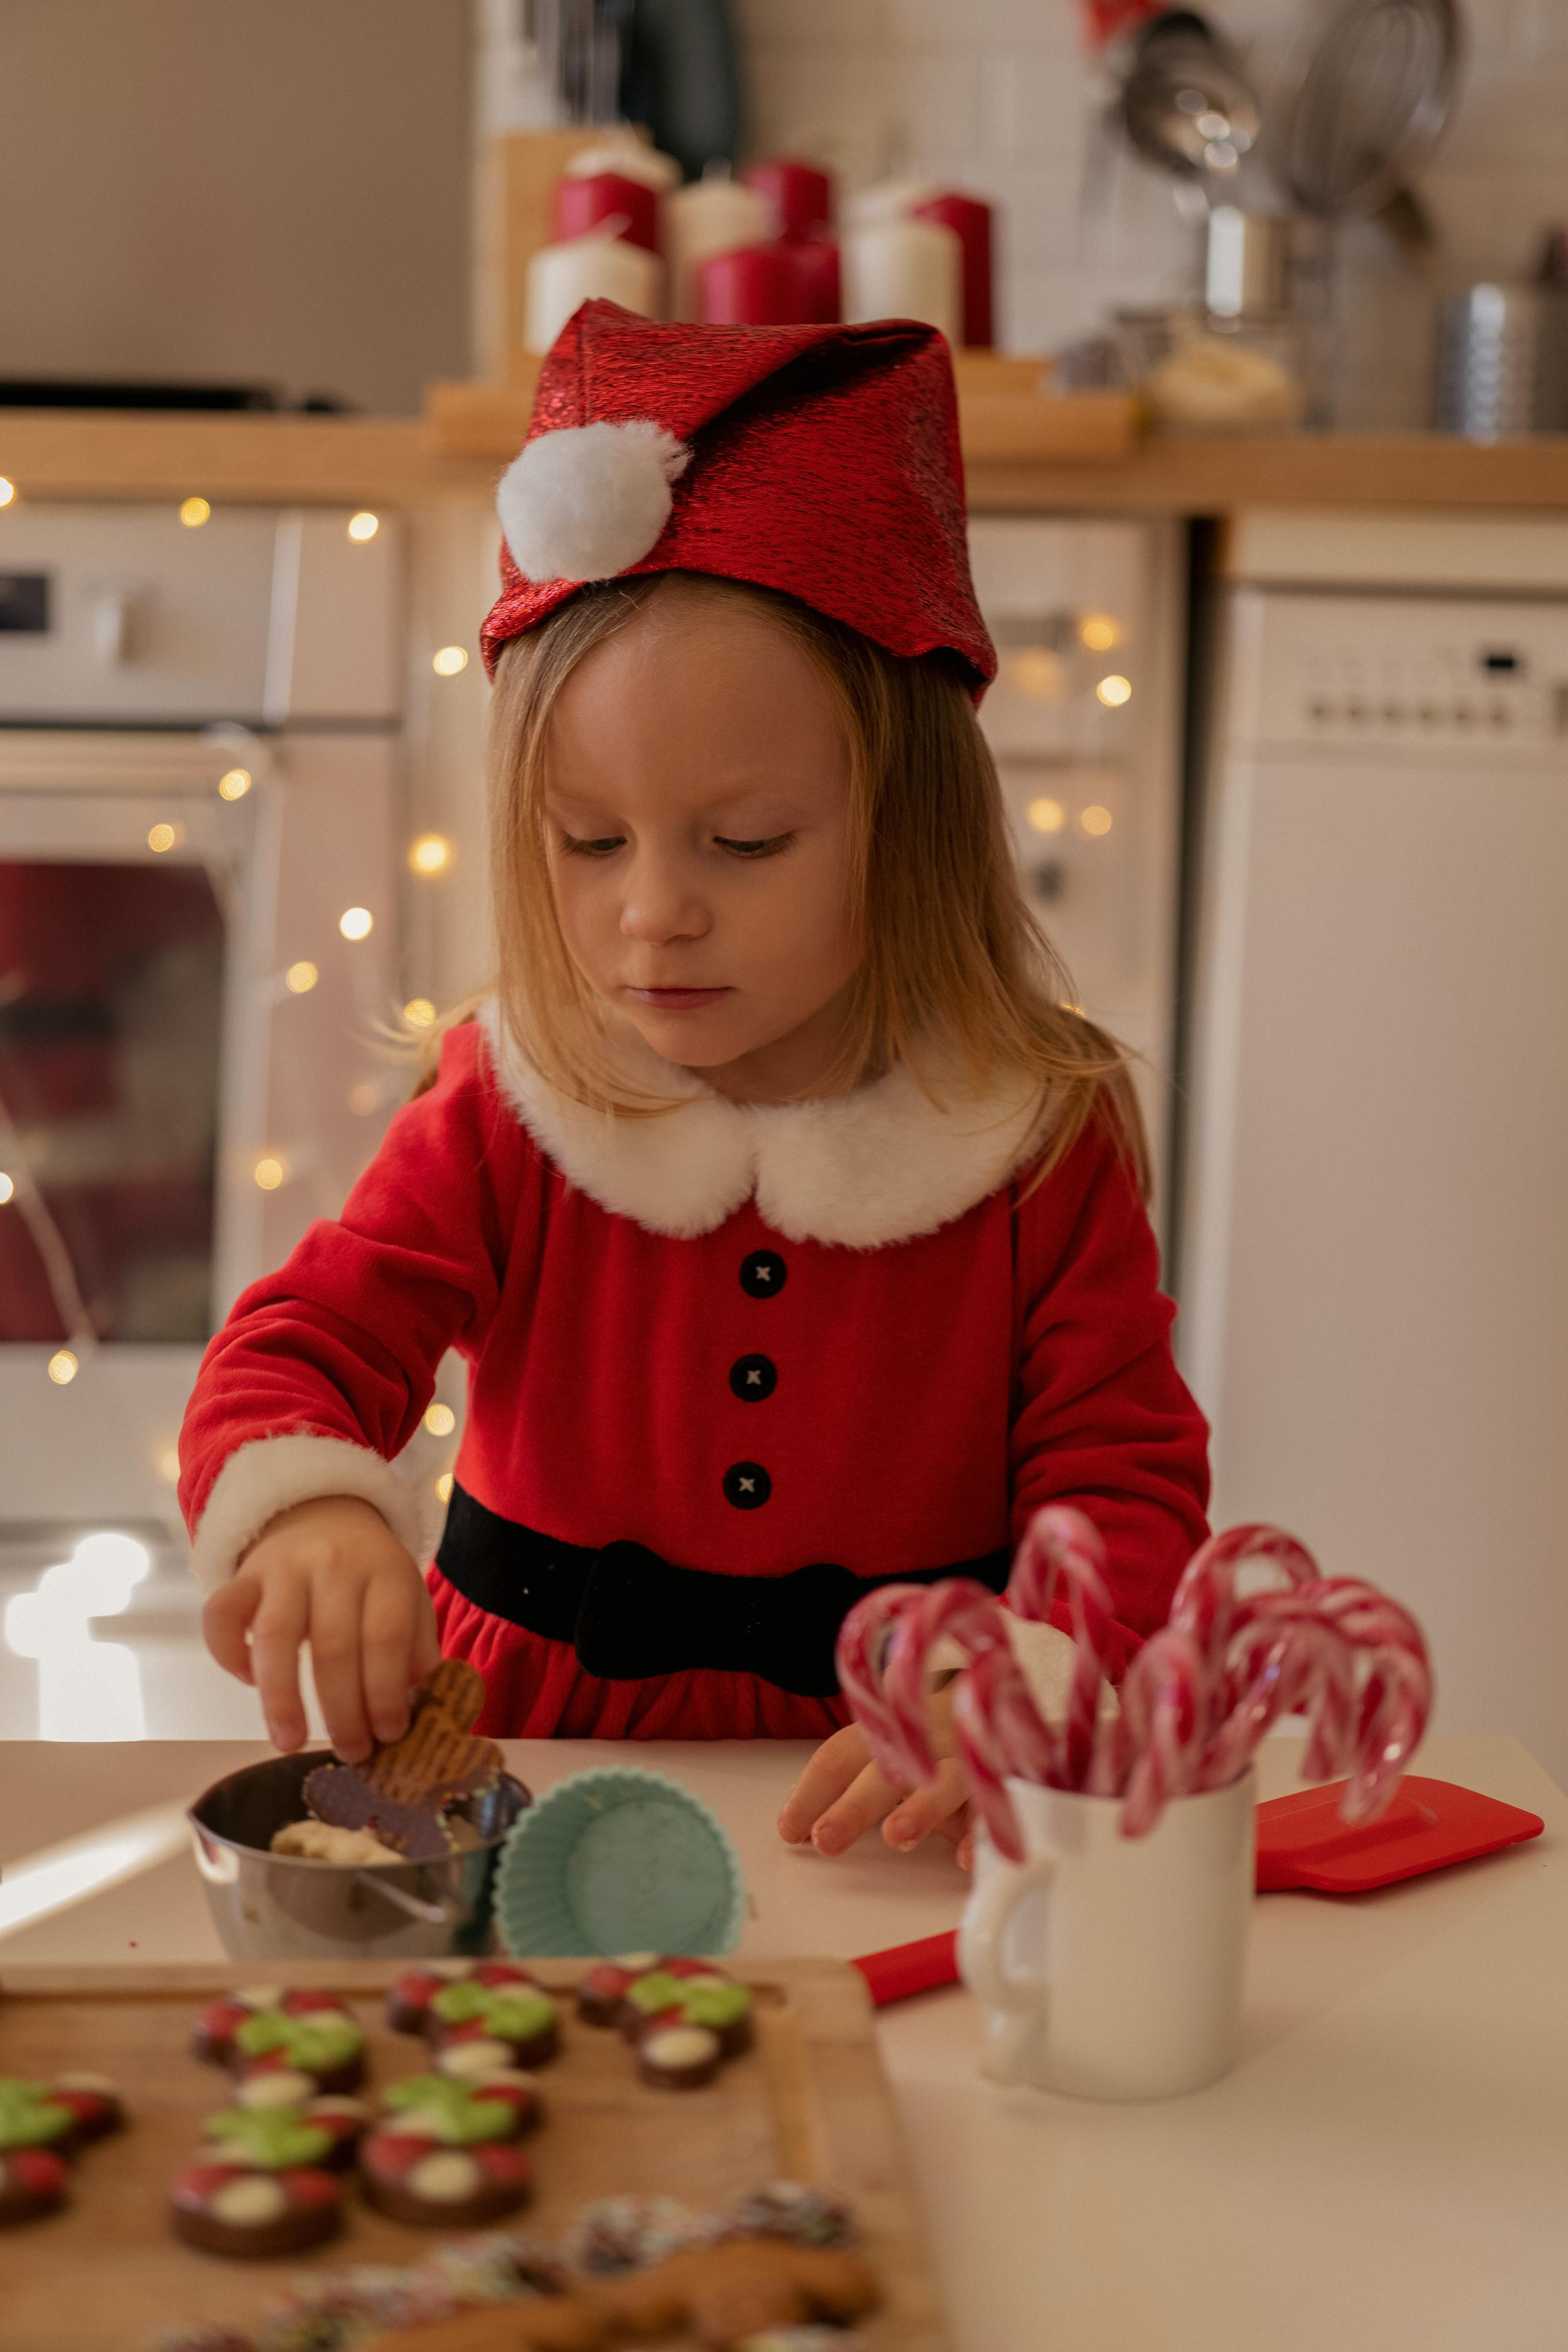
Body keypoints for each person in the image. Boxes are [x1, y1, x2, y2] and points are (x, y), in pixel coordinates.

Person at [179, 301, 1208, 1868]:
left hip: (883, 1800)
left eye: (742, 844)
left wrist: (1022, 1672)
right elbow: (302, 1343)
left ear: (908, 822)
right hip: (513, 1768)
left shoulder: (1030, 1140)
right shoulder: (510, 1103)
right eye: (589, 842)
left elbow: (1120, 1482)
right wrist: (312, 1510)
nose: (651, 911)